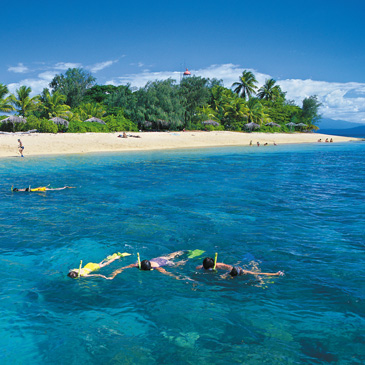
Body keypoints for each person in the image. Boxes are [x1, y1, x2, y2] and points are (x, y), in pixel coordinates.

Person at [100, 251, 189, 280]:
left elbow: (166, 273)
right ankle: (181, 251)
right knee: (171, 255)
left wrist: (176, 277)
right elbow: (122, 268)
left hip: (163, 262)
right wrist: (114, 274)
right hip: (159, 258)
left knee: (176, 264)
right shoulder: (137, 265)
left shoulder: (157, 268)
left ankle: (185, 259)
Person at [196, 257, 284, 277]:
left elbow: (230, 267)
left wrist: (230, 273)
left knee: (254, 273)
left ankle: (275, 274)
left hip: (235, 270)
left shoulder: (220, 265)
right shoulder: (200, 268)